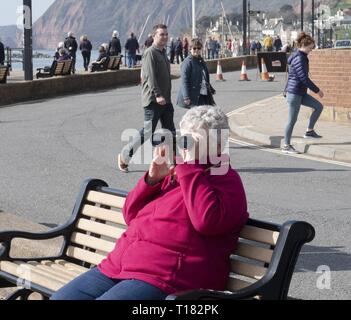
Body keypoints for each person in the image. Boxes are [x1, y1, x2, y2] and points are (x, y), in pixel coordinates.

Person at [51, 106, 249, 300]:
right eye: (185, 136)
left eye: (194, 138)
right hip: (119, 266)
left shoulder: (226, 180)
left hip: (168, 278)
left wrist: (190, 167)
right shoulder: (175, 173)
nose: (185, 144)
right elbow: (130, 214)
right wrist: (152, 180)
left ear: (217, 144)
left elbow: (205, 222)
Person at [118, 24, 176, 172]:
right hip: (153, 100)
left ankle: (174, 163)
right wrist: (157, 94)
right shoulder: (150, 53)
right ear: (154, 36)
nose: (164, 37)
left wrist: (165, 97)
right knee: (147, 132)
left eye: (166, 34)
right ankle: (125, 155)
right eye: (161, 34)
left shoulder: (163, 53)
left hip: (166, 100)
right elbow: (149, 76)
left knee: (170, 132)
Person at [282, 32, 324, 155]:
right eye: (310, 48)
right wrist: (318, 90)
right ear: (304, 45)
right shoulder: (300, 58)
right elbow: (304, 79)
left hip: (299, 93)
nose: (311, 50)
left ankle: (309, 131)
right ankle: (286, 145)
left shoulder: (301, 56)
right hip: (294, 94)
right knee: (292, 120)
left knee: (318, 106)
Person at [177, 39, 216, 109]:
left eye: (198, 48)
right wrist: (186, 97)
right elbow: (184, 81)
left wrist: (210, 87)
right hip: (194, 95)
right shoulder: (187, 62)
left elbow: (204, 77)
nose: (196, 50)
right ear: (190, 49)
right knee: (197, 117)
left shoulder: (201, 61)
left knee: (205, 115)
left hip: (204, 94)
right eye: (194, 48)